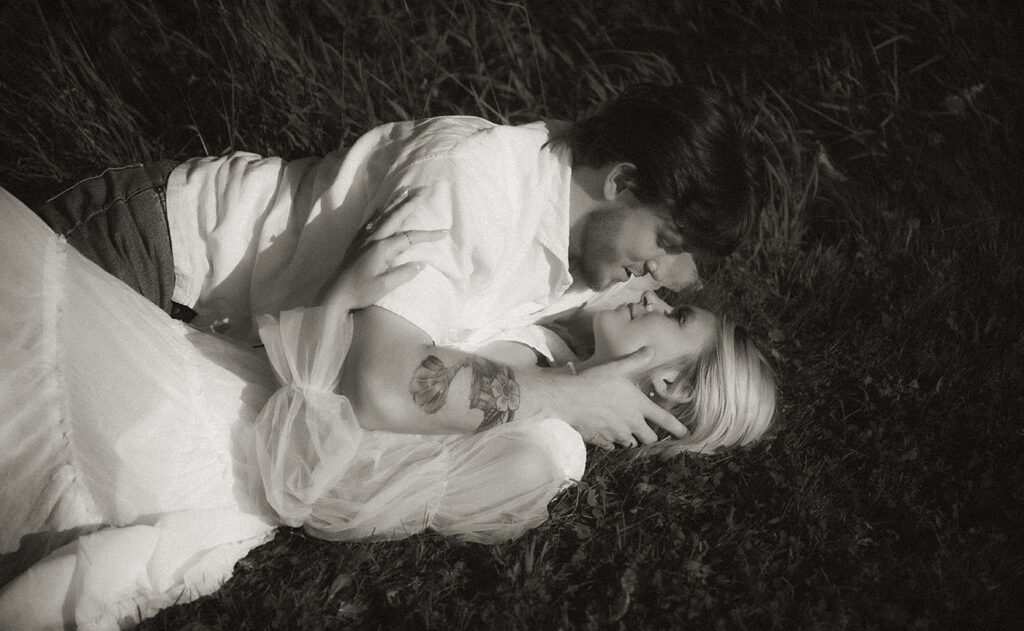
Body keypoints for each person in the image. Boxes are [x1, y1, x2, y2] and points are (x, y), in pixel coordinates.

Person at [0, 180, 775, 628]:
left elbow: (328, 486)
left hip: (196, 440)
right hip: (207, 366)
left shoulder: (549, 453)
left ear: (671, 385)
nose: (657, 291)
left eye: (675, 315)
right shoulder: (562, 334)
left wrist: (311, 352)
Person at [32, 84, 760, 449]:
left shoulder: (589, 244)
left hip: (209, 333)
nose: (658, 277)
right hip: (156, 250)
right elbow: (383, 387)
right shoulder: (473, 182)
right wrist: (569, 399)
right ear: (622, 181)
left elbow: (667, 315)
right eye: (662, 242)